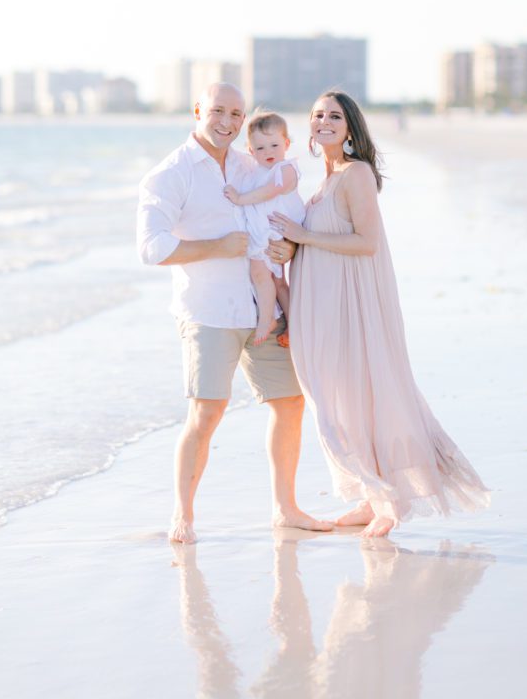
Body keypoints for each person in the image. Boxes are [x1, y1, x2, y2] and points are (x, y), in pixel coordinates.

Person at [270, 90, 490, 538]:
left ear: (350, 126)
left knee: (364, 395)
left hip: (351, 308)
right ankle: (371, 496)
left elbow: (366, 242)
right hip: (322, 307)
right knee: (338, 401)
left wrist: (302, 237)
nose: (324, 121)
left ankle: (389, 501)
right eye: (317, 115)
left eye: (334, 115)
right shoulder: (325, 179)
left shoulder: (357, 174)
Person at [137, 82, 332, 544]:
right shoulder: (171, 174)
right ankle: (183, 515)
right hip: (209, 313)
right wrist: (216, 247)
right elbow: (150, 248)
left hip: (262, 307)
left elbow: (276, 209)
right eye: (218, 111)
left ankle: (286, 509)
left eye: (236, 114)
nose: (227, 121)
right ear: (198, 111)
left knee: (290, 404)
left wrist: (284, 247)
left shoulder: (250, 162)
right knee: (206, 415)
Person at [222, 111, 305, 348]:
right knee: (277, 282)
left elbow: (270, 192)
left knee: (260, 273)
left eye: (274, 145)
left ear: (286, 144)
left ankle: (267, 319)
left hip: (277, 230)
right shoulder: (254, 172)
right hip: (267, 230)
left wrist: (239, 198)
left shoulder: (286, 169)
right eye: (259, 148)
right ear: (250, 150)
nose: (268, 152)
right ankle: (292, 325)